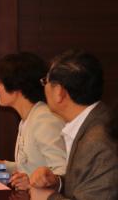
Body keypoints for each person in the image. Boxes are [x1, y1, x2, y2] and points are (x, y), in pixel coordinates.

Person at [30, 50, 118, 200]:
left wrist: (48, 198)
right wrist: (57, 183)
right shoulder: (94, 122)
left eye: (46, 81)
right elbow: (88, 182)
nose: (44, 87)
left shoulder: (100, 139)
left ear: (59, 92)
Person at [0, 52, 66, 190]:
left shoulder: (45, 120)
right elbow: (29, 167)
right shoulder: (27, 119)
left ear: (16, 84)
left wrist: (31, 184)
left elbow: (63, 172)